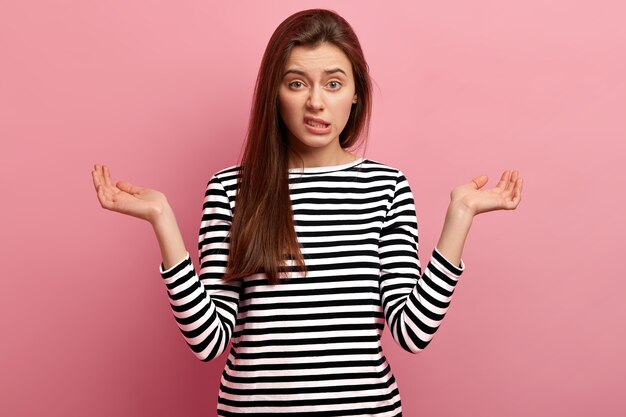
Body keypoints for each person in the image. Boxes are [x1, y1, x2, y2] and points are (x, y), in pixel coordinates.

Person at [92, 8, 522, 416]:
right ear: (274, 94)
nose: (316, 102)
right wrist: (162, 220)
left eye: (333, 84)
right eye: (297, 83)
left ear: (355, 94)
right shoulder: (231, 189)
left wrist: (460, 217)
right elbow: (208, 340)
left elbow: (412, 331)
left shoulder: (386, 187)